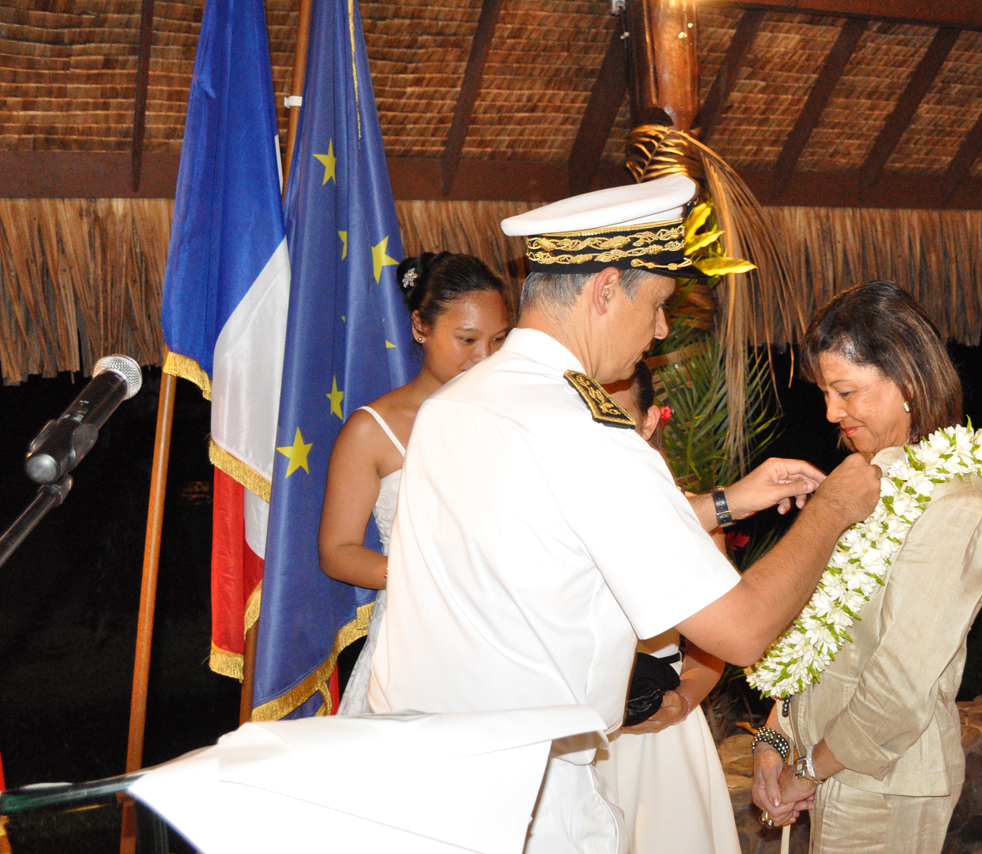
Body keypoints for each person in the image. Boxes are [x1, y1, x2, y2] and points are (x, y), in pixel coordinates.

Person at [368, 174, 882, 854]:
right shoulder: (588, 433)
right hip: (529, 801)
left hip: (419, 783)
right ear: (606, 289)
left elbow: (549, 551)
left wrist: (728, 500)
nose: (662, 329)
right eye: (659, 303)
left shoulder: (455, 405)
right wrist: (835, 510)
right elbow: (744, 630)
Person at [751, 281, 982, 854]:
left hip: (889, 785)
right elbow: (819, 633)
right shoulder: (864, 482)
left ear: (909, 381)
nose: (829, 411)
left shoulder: (954, 503)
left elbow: (899, 685)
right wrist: (775, 736)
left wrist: (808, 771)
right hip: (825, 761)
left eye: (846, 391)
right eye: (825, 392)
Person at [317, 251, 510, 715]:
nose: (484, 356)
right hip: (416, 641)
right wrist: (427, 578)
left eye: (500, 340)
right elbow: (337, 551)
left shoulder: (515, 413)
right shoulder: (371, 430)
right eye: (467, 339)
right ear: (421, 327)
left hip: (509, 636)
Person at [594, 362, 757, 854]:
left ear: (648, 422)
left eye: (616, 416)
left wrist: (682, 699)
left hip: (659, 733)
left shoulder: (697, 515)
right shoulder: (551, 516)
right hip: (576, 735)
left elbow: (718, 644)